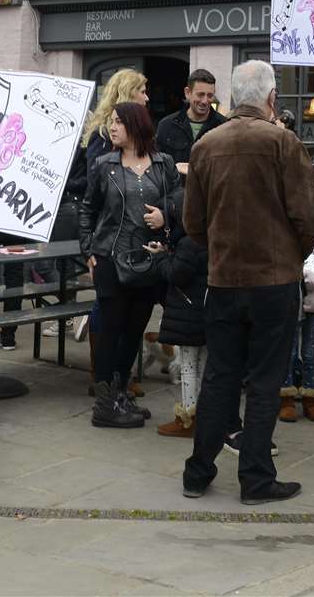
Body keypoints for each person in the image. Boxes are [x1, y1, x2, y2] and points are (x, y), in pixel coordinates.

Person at [181, 61, 314, 504]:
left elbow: (193, 223)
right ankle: (256, 477)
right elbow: (307, 217)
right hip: (273, 281)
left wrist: (220, 251)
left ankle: (198, 472)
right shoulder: (283, 142)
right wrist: (290, 255)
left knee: (220, 377)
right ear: (271, 98)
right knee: (263, 381)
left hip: (224, 280)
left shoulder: (206, 146)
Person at [80, 102, 181, 430]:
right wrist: (88, 252)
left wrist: (165, 214)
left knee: (135, 329)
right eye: (111, 122)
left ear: (136, 126)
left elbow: (179, 200)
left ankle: (120, 392)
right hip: (110, 258)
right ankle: (105, 405)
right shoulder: (104, 164)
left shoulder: (162, 163)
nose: (112, 127)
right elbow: (87, 209)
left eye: (119, 122)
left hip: (149, 259)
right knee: (111, 331)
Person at [71, 69, 150, 376]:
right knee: (107, 303)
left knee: (121, 304)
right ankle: (103, 374)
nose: (147, 96)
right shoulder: (105, 137)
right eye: (142, 90)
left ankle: (115, 374)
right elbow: (97, 189)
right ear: (128, 94)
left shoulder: (132, 137)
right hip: (108, 234)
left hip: (126, 232)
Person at [156, 211, 208, 438]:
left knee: (188, 365)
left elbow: (176, 274)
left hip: (189, 313)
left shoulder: (189, 242)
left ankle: (188, 417)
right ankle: (206, 415)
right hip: (209, 310)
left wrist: (161, 258)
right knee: (205, 365)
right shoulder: (214, 236)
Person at [280, 232, 314, 423]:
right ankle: (286, 398)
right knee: (290, 352)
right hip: (292, 302)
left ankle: (311, 399)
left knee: (309, 353)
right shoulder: (290, 235)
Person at [154, 68, 226, 167]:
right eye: (200, 95)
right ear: (187, 93)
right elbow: (158, 167)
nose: (205, 101)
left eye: (210, 95)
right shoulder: (166, 125)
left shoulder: (224, 127)